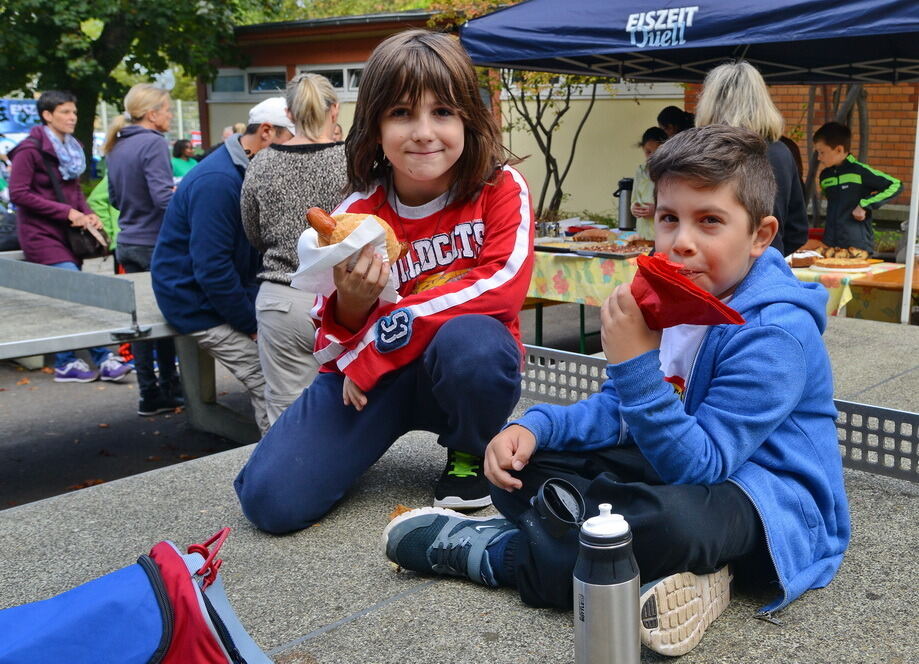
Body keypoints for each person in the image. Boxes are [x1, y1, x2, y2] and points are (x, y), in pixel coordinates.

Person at [383, 126, 850, 657]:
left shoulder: (775, 332)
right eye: (669, 218)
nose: (682, 242)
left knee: (678, 522)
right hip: (675, 466)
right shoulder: (680, 289)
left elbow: (702, 467)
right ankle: (675, 570)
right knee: (519, 472)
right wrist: (534, 427)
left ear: (760, 235)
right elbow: (618, 410)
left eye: (710, 221)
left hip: (764, 502)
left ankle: (506, 555)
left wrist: (634, 363)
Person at [234, 30, 535, 534]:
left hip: (449, 372)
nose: (424, 132)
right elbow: (328, 332)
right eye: (401, 113)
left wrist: (380, 339)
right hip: (373, 384)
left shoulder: (500, 187)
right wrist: (352, 305)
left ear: (468, 118)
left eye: (443, 111)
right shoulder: (356, 211)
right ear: (374, 126)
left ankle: (469, 448)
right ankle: (356, 445)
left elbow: (501, 287)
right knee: (270, 501)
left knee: (475, 341)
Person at [152, 98, 295, 435]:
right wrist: (251, 324)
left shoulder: (249, 170)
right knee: (271, 378)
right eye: (292, 139)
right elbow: (212, 270)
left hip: (227, 292)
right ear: (266, 132)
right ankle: (278, 461)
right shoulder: (217, 182)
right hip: (193, 301)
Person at [241, 75, 346, 424]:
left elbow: (253, 232)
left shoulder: (261, 163)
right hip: (342, 298)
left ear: (288, 113)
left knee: (285, 415)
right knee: (346, 408)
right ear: (335, 110)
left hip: (281, 299)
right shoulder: (351, 161)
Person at [7, 90, 132, 383]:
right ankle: (102, 357)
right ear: (47, 115)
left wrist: (88, 213)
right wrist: (67, 212)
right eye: (65, 112)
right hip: (40, 235)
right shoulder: (29, 150)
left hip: (67, 235)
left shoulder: (71, 148)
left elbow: (74, 191)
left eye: (74, 112)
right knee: (77, 290)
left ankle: (67, 362)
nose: (72, 117)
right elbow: (18, 194)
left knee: (67, 297)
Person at [105, 83, 181, 416]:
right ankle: (169, 387)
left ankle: (148, 392)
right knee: (163, 321)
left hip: (127, 242)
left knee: (141, 326)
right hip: (154, 243)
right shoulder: (153, 143)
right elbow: (163, 198)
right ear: (152, 114)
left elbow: (114, 198)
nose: (170, 116)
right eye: (167, 110)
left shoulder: (117, 144)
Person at [694, 61, 809, 256]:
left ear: (709, 102)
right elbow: (797, 231)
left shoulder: (699, 151)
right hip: (767, 264)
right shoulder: (781, 153)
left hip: (709, 265)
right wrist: (771, 253)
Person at [814, 121, 901, 253]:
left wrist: (864, 205)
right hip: (830, 244)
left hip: (858, 245)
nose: (819, 158)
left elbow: (896, 185)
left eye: (822, 152)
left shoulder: (860, 171)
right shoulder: (824, 176)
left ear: (839, 150)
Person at [631, 126, 667, 240]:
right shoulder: (640, 171)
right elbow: (634, 199)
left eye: (656, 152)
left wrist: (657, 210)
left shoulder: (669, 172)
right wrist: (633, 208)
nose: (652, 156)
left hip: (661, 234)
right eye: (648, 152)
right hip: (642, 234)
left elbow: (675, 203)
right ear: (643, 149)